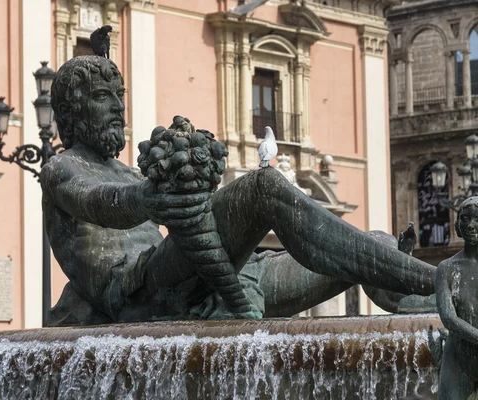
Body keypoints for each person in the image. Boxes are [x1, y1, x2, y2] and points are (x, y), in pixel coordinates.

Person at [41, 55, 436, 325]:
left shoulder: (127, 171)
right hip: (140, 291)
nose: (117, 107)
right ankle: (440, 280)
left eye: (119, 96)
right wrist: (147, 198)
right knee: (260, 188)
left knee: (379, 241)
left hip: (198, 283)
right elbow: (97, 204)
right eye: (101, 96)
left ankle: (425, 301)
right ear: (72, 111)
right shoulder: (62, 167)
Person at [435, 197, 478, 399]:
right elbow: (448, 318)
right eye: (465, 218)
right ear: (457, 226)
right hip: (458, 359)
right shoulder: (447, 268)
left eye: (477, 218)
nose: (470, 225)